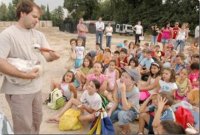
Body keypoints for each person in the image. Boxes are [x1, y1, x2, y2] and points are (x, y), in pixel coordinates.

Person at [0, 0, 60, 134]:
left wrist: (53, 56)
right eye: (34, 16)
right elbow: (0, 62)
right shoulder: (8, 35)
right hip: (18, 92)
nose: (37, 21)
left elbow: (47, 56)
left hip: (36, 88)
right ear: (22, 13)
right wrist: (25, 75)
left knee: (36, 123)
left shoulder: (38, 35)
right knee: (24, 128)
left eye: (38, 18)